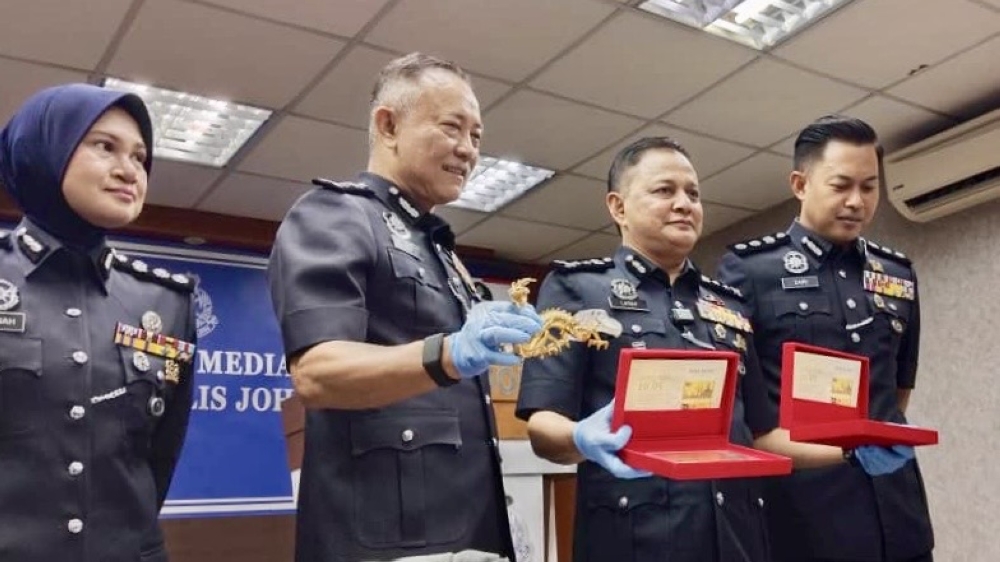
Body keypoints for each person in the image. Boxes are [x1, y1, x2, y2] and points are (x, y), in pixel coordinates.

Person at [267, 52, 543, 562]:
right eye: (452, 128)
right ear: (389, 125)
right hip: (384, 543)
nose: (468, 150)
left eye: (477, 136)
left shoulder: (442, 252)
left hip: (467, 533)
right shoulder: (337, 215)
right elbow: (318, 373)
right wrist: (449, 353)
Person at [515, 137, 771, 562]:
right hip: (635, 537)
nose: (684, 203)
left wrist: (848, 446)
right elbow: (543, 426)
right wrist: (581, 438)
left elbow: (761, 431)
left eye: (693, 193)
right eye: (664, 190)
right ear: (618, 207)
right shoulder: (576, 289)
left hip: (738, 536)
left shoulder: (730, 305)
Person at [716, 115, 934, 562]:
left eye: (870, 187)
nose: (857, 201)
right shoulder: (751, 271)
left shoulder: (895, 273)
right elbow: (741, 415)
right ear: (800, 184)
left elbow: (897, 390)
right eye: (841, 185)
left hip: (898, 517)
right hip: (805, 522)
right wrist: (845, 453)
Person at [0, 84, 197, 561]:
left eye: (141, 156)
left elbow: (157, 459)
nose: (130, 170)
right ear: (46, 148)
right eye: (105, 146)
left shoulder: (166, 301)